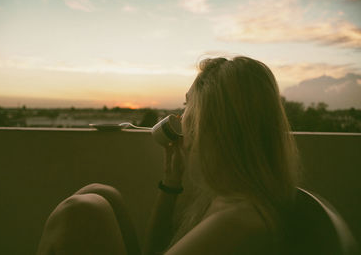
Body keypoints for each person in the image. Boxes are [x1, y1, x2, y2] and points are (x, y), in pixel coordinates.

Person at [36, 56, 299, 255]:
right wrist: (171, 183)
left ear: (211, 124)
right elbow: (159, 250)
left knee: (83, 210)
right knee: (102, 193)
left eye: (188, 107)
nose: (181, 119)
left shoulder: (239, 221)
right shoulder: (232, 197)